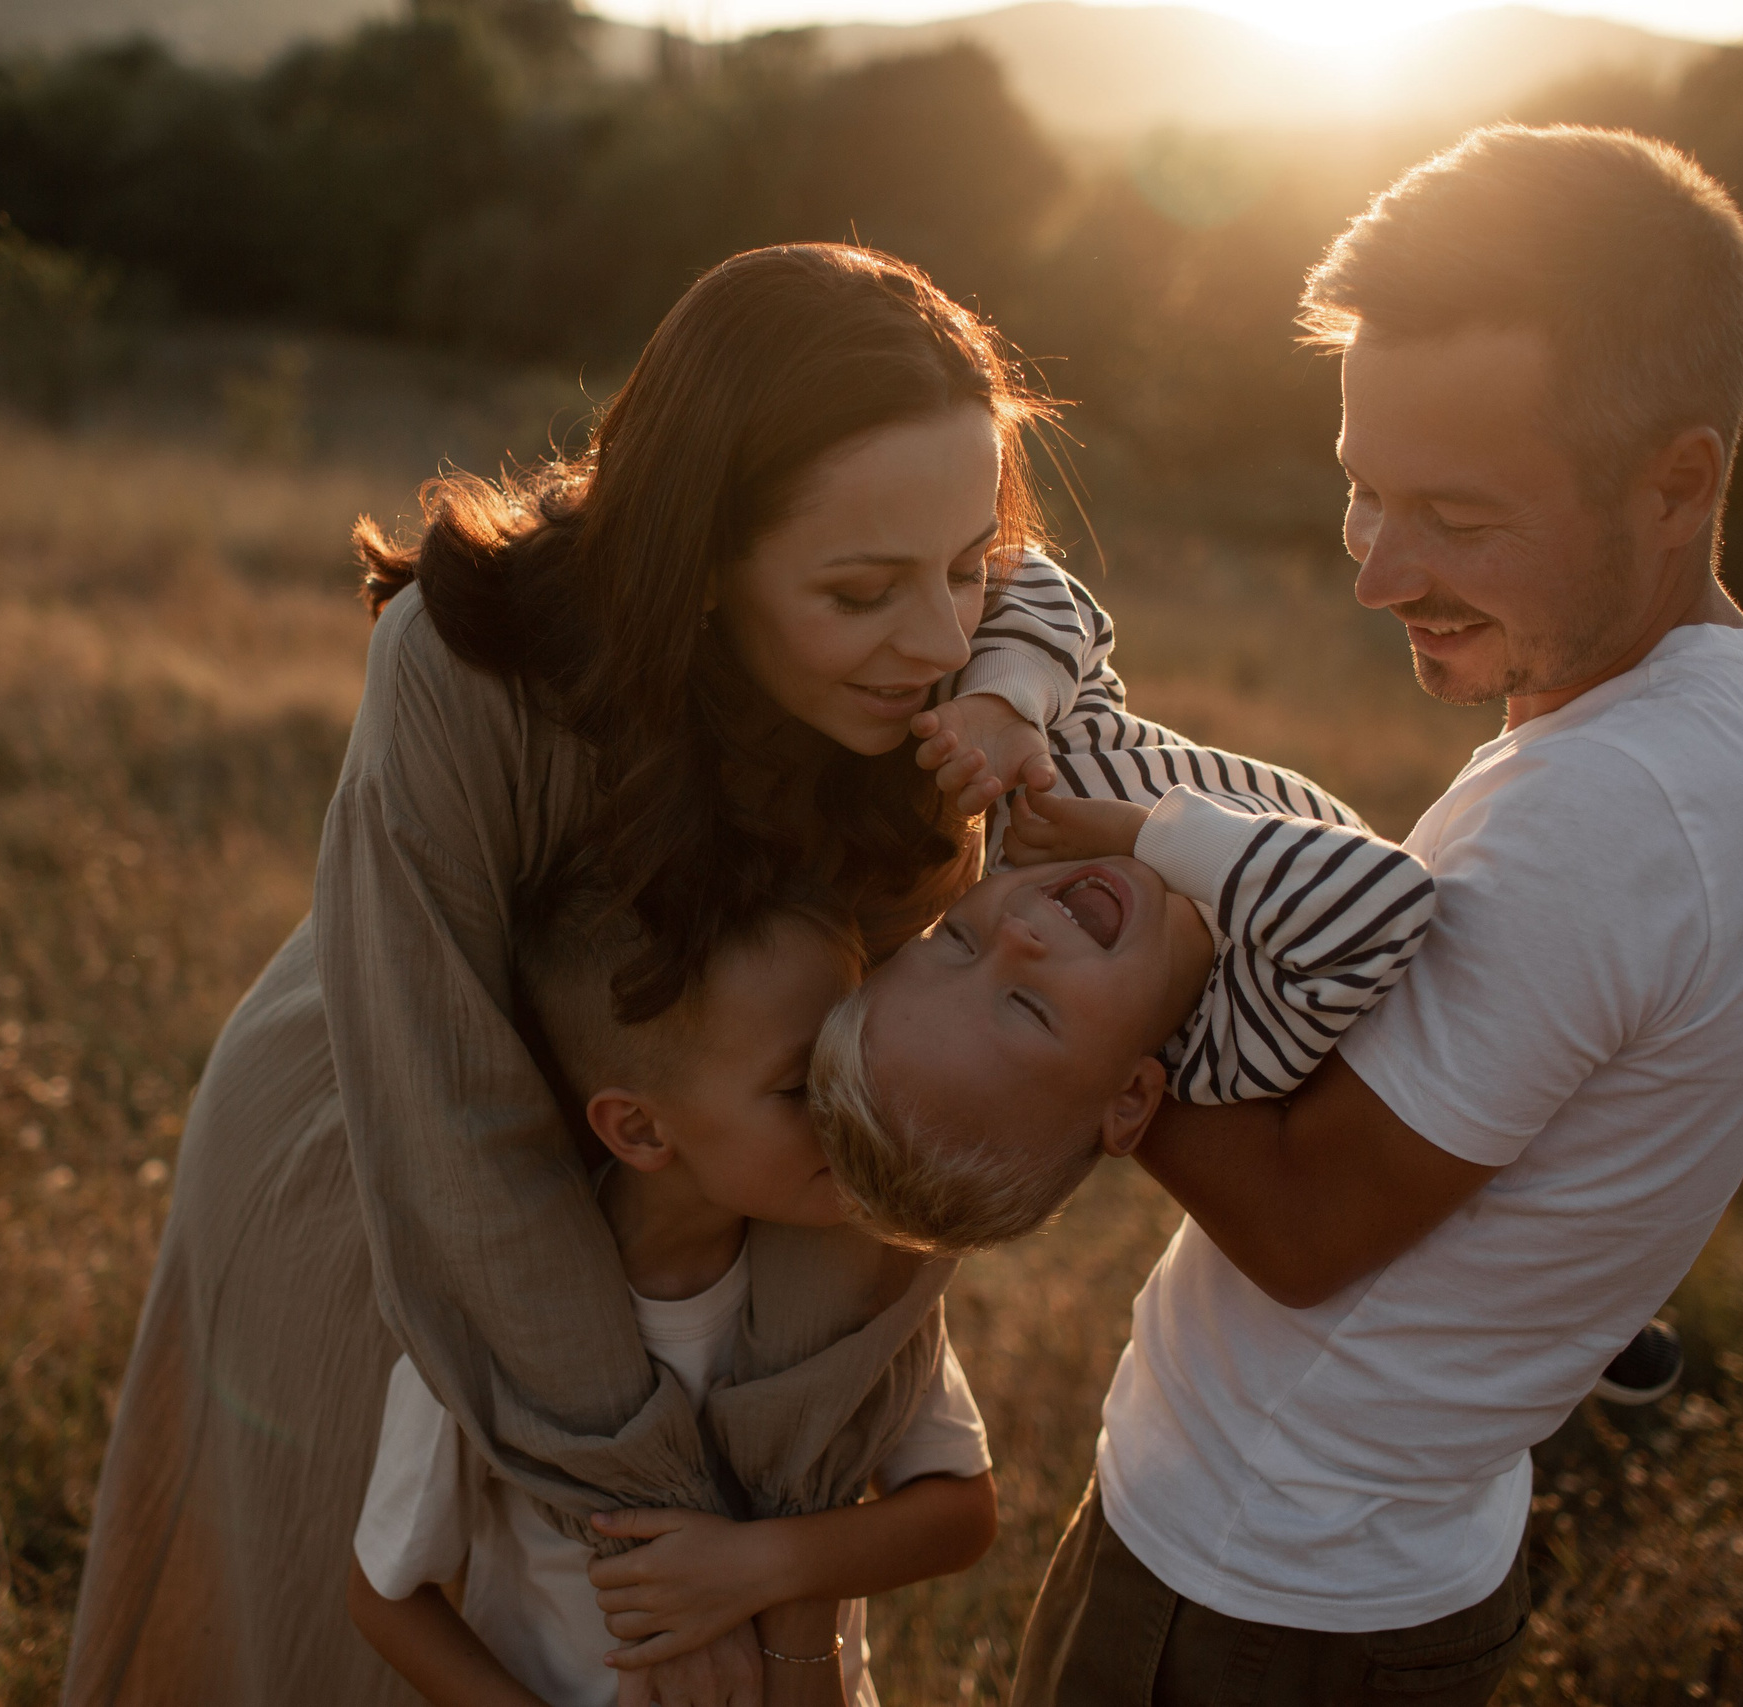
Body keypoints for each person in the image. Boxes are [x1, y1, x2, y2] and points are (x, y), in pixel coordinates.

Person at [60, 243, 1104, 1707]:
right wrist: (646, 1527)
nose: (935, 640)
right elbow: (449, 1115)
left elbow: (853, 1122)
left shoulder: (956, 690)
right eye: (862, 589)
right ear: (702, 552)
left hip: (729, 1153)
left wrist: (763, 1536)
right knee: (351, 1607)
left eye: (960, 568)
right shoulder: (463, 663)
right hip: (382, 1155)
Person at [1007, 125, 1743, 1707]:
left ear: (1682, 484)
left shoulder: (1618, 810)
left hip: (1259, 1589)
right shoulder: (1717, 733)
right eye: (1362, 492)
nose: (1379, 573)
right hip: (1369, 1549)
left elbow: (1305, 1226)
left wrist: (1093, 998)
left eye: (1457, 518)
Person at [348, 879, 997, 1707]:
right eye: (802, 1087)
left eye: (855, 1050)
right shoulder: (499, 1310)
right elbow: (385, 1594)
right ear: (642, 1129)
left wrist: (759, 1566)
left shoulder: (853, 1272)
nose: (854, 1103)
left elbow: (963, 1511)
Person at [810, 761, 1438, 1254]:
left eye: (955, 938)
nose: (1010, 938)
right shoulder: (1243, 1038)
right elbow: (1390, 902)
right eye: (1028, 1007)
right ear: (1132, 1098)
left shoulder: (1037, 815)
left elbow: (1051, 609)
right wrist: (1145, 837)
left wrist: (1008, 697)